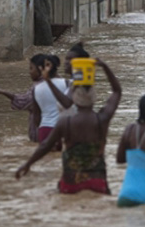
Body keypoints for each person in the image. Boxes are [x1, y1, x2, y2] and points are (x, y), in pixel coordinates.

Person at [15, 58, 121, 194]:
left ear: (75, 98)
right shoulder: (102, 119)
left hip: (71, 183)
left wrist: (27, 164)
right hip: (97, 182)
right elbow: (117, 92)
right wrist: (105, 66)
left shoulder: (65, 122)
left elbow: (45, 146)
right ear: (94, 97)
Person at [0, 54, 46, 142]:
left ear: (40, 69)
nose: (30, 72)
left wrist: (2, 92)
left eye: (31, 68)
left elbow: (23, 101)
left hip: (42, 132)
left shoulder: (38, 86)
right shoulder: (56, 82)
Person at [33, 55, 68, 148]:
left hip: (44, 129)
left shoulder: (36, 88)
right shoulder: (66, 83)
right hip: (62, 129)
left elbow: (36, 116)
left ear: (40, 69)